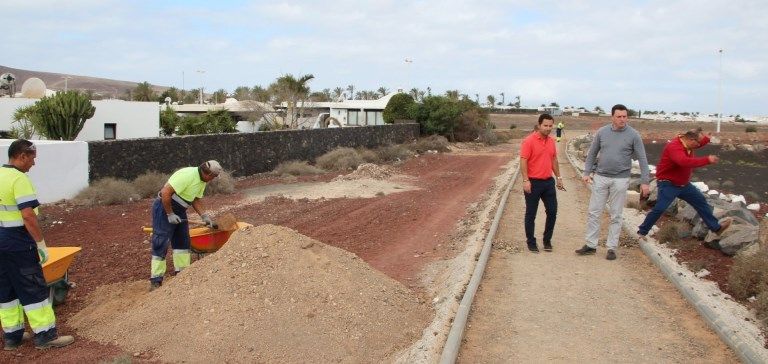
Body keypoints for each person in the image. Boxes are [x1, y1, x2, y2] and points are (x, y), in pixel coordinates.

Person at [0, 139, 74, 350]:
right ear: (22, 156)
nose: (33, 163)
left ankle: (12, 337)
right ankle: (45, 335)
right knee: (33, 288)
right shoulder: (19, 179)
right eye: (32, 158)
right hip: (18, 243)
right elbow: (28, 216)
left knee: (6, 290)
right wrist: (40, 243)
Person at [576, 104, 650, 260]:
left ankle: (611, 248)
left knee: (616, 215)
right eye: (619, 116)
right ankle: (590, 245)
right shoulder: (602, 132)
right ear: (612, 117)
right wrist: (586, 172)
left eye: (625, 116)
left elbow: (642, 159)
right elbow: (592, 153)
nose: (622, 119)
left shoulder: (634, 135)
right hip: (601, 177)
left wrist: (645, 181)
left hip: (621, 180)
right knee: (594, 212)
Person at [637, 128, 731, 238]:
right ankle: (642, 232)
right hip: (668, 184)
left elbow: (697, 144)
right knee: (660, 208)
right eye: (698, 142)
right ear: (691, 140)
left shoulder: (688, 144)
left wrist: (706, 139)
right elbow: (684, 162)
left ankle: (716, 228)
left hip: (684, 185)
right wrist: (707, 160)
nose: (699, 145)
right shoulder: (674, 147)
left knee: (700, 201)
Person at [150, 160, 222, 290]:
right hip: (164, 207)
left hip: (180, 210)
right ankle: (156, 281)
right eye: (213, 177)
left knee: (182, 242)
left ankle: (182, 276)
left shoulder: (202, 181)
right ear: (207, 174)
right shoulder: (187, 175)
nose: (213, 180)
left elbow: (195, 199)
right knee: (161, 241)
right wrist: (170, 214)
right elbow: (166, 192)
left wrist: (204, 216)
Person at [520, 114, 565, 253]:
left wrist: (558, 177)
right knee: (531, 214)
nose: (548, 128)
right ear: (539, 125)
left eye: (550, 126)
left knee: (552, 212)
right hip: (533, 183)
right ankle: (531, 242)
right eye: (545, 125)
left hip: (548, 183)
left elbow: (554, 160)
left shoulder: (551, 141)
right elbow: (523, 161)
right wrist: (526, 180)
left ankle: (547, 240)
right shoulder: (529, 141)